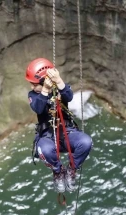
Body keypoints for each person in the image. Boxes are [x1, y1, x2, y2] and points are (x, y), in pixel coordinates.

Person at [25, 58, 92, 193]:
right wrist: (44, 90)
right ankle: (58, 172)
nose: (32, 87)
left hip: (66, 131)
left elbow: (69, 96)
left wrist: (59, 81)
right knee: (44, 150)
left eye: (34, 84)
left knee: (86, 142)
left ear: (44, 81)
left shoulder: (59, 89)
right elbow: (38, 108)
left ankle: (71, 169)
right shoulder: (34, 95)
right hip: (47, 136)